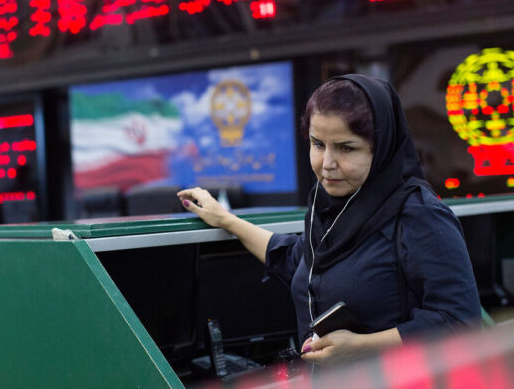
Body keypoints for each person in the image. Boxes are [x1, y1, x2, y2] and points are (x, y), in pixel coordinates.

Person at [177, 74, 481, 366]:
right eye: (318, 144)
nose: (327, 164)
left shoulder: (419, 214)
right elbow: (295, 259)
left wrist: (361, 347)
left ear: (382, 146)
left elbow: (460, 321)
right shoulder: (328, 207)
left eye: (346, 148)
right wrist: (226, 220)